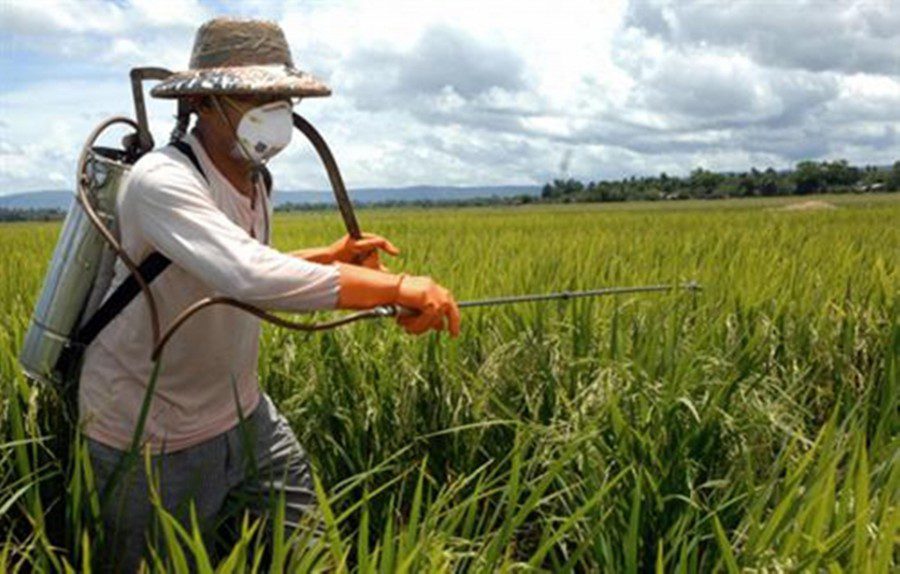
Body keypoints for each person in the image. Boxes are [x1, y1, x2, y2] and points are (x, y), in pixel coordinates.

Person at [78, 17, 460, 572]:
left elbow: (235, 265)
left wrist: (327, 260)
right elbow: (246, 274)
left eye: (280, 95)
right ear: (203, 103)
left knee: (313, 558)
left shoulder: (255, 177)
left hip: (244, 414)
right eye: (255, 95)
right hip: (147, 434)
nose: (275, 109)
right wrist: (396, 287)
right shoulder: (162, 180)